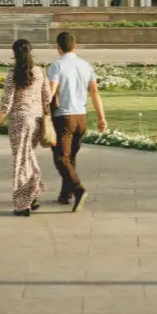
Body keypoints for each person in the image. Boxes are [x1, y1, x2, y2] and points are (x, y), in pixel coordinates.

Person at [0, 39, 52, 217]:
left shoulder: (13, 74)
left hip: (19, 121)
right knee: (27, 157)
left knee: (20, 161)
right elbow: (47, 97)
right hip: (36, 121)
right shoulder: (40, 72)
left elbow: (6, 104)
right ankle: (32, 194)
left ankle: (22, 203)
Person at [48, 32, 108, 212]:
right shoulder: (85, 65)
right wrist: (101, 117)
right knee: (70, 158)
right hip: (82, 116)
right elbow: (95, 93)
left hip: (64, 117)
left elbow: (50, 93)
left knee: (61, 158)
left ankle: (78, 189)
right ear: (76, 46)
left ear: (57, 47)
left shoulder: (56, 66)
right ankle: (65, 195)